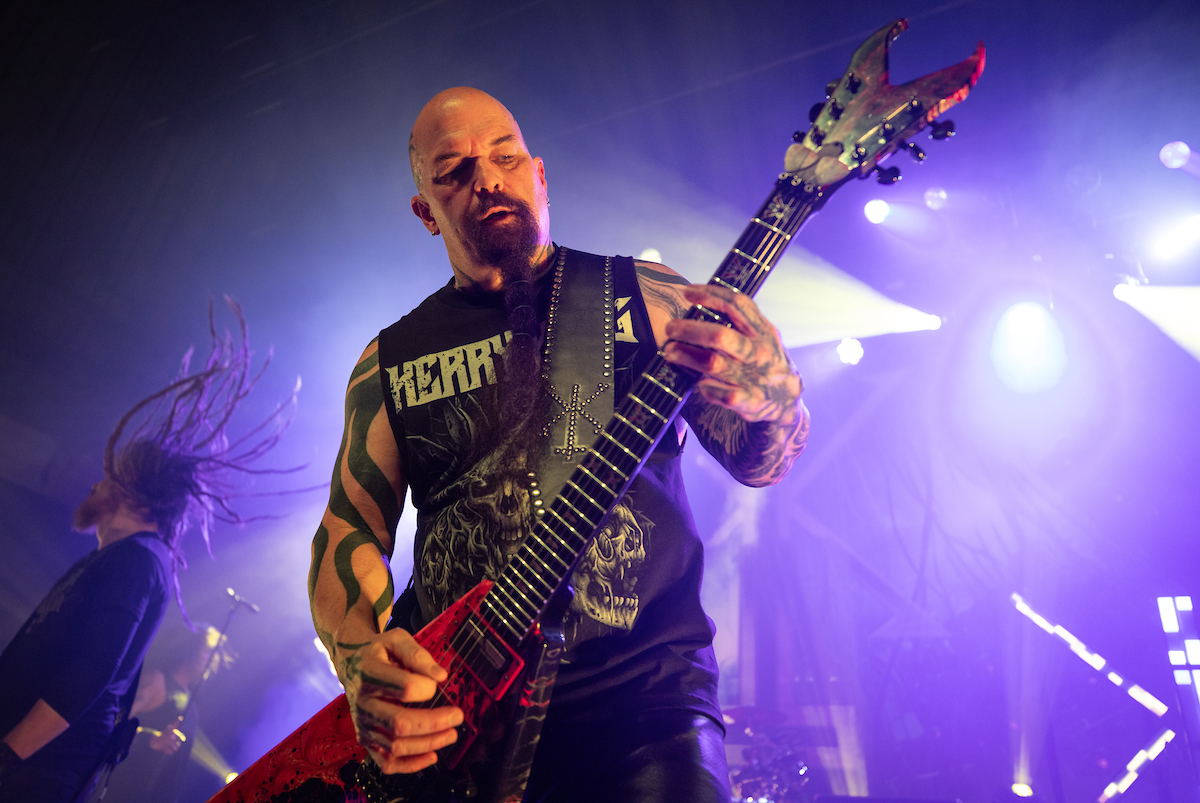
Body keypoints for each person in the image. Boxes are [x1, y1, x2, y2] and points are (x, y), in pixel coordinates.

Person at [308, 87, 809, 802]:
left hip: (644, 705)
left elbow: (760, 462)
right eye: (453, 170)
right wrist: (358, 661)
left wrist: (776, 400)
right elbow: (345, 533)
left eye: (504, 156)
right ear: (426, 211)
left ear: (538, 175)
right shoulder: (389, 359)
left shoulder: (646, 296)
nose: (486, 178)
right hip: (454, 734)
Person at [0, 301, 294, 803]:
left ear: (136, 491)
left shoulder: (139, 562)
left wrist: (9, 755)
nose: (96, 482)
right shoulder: (117, 559)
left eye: (110, 475)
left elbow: (90, 673)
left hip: (33, 777)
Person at [103, 624, 227, 803]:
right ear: (191, 649)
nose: (211, 660)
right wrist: (150, 739)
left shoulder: (191, 702)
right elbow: (111, 724)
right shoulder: (156, 681)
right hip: (121, 791)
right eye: (207, 651)